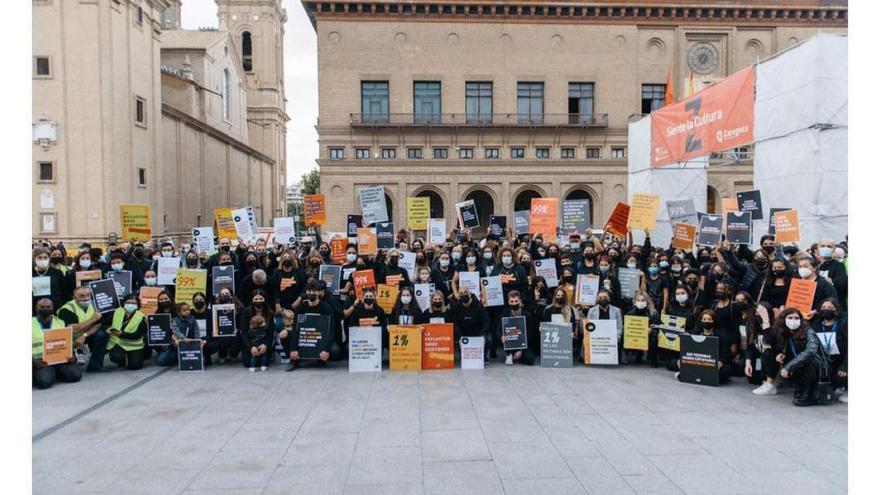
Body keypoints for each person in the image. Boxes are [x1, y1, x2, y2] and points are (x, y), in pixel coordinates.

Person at [777, 308, 826, 406]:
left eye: (796, 318)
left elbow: (811, 351)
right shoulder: (786, 332)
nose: (793, 320)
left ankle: (807, 391)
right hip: (798, 361)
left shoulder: (808, 331)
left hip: (817, 366)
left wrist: (789, 367)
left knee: (807, 363)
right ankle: (800, 387)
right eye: (790, 317)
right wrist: (782, 354)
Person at [33, 298, 82, 389]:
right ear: (36, 309)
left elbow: (66, 342)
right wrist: (33, 362)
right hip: (40, 362)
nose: (45, 309)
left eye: (48, 307)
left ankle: (54, 373)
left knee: (75, 375)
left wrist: (72, 356)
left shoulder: (60, 322)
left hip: (60, 360)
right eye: (42, 307)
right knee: (44, 383)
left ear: (52, 308)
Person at [57, 286, 108, 372]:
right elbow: (73, 328)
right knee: (71, 371)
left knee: (101, 335)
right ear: (74, 297)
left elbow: (98, 325)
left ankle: (94, 366)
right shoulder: (66, 309)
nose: (86, 298)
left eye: (88, 295)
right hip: (70, 339)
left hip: (85, 335)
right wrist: (93, 319)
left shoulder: (94, 305)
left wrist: (85, 335)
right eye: (82, 296)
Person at [288, 281, 336, 370]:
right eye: (309, 291)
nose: (311, 293)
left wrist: (326, 349)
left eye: (314, 291)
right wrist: (293, 349)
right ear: (306, 292)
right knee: (285, 335)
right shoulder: (301, 307)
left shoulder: (326, 308)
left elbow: (331, 329)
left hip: (321, 338)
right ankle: (295, 361)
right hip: (304, 337)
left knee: (335, 351)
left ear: (319, 292)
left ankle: (321, 360)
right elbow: (295, 328)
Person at [810, 298, 847, 403]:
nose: (826, 310)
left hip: (840, 363)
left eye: (830, 308)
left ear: (836, 310)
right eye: (823, 308)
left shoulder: (843, 325)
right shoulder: (815, 325)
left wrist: (845, 366)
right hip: (823, 364)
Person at [105, 294, 148, 370]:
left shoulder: (141, 317)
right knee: (116, 357)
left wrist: (121, 334)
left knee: (135, 366)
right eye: (128, 302)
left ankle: (133, 357)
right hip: (118, 343)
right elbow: (106, 323)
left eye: (133, 303)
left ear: (138, 305)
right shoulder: (117, 311)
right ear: (124, 303)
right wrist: (107, 329)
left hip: (134, 346)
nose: (130, 305)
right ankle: (122, 360)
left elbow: (137, 335)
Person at [448, 285, 490, 361]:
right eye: (461, 293)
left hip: (478, 332)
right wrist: (459, 337)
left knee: (489, 339)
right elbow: (456, 324)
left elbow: (486, 321)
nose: (463, 295)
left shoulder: (479, 306)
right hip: (464, 334)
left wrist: (482, 335)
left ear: (470, 294)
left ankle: (484, 356)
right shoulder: (456, 307)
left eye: (465, 292)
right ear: (458, 295)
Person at [238, 289, 275, 368]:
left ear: (265, 299)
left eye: (261, 299)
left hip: (263, 341)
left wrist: (265, 345)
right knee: (248, 363)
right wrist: (251, 347)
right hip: (250, 341)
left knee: (264, 362)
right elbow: (243, 333)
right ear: (252, 300)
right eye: (256, 299)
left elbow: (271, 333)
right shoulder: (246, 312)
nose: (258, 301)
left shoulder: (270, 313)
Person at [542, 287, 581, 360]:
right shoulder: (548, 309)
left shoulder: (570, 309)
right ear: (555, 297)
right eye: (558, 295)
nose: (560, 297)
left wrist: (572, 332)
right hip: (553, 336)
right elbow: (546, 323)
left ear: (565, 297)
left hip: (566, 335)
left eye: (562, 296)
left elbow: (573, 323)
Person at [158, 302, 201, 367]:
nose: (187, 312)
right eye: (184, 310)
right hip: (176, 344)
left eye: (188, 309)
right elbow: (176, 331)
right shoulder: (175, 320)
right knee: (162, 361)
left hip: (190, 343)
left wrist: (197, 341)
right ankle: (176, 357)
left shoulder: (193, 319)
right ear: (179, 312)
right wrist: (183, 338)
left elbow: (196, 331)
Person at [498, 290, 535, 366]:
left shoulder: (527, 315)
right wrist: (501, 336)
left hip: (523, 343)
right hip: (509, 342)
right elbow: (497, 329)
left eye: (516, 301)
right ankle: (509, 354)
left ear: (520, 301)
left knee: (530, 360)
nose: (514, 303)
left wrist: (521, 350)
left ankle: (518, 355)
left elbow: (530, 334)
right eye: (512, 301)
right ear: (508, 302)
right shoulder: (504, 313)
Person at [624, 290, 661, 366]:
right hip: (636, 334)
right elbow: (627, 324)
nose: (640, 302)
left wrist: (651, 329)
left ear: (647, 301)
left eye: (643, 300)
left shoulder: (653, 312)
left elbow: (657, 325)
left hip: (649, 333)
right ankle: (636, 355)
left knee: (654, 336)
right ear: (635, 301)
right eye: (638, 300)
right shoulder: (631, 312)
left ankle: (652, 358)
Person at [32, 248, 67, 315]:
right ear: (34, 259)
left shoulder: (57, 273)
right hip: (34, 310)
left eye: (45, 257)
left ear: (49, 259)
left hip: (55, 309)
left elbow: (63, 292)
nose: (43, 260)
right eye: (39, 257)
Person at [190, 292, 219, 366]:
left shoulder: (210, 313)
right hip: (194, 338)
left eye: (201, 299)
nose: (198, 301)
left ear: (205, 301)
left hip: (208, 339)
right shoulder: (190, 313)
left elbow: (212, 331)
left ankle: (207, 356)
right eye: (196, 300)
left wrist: (205, 341)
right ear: (193, 302)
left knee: (211, 346)